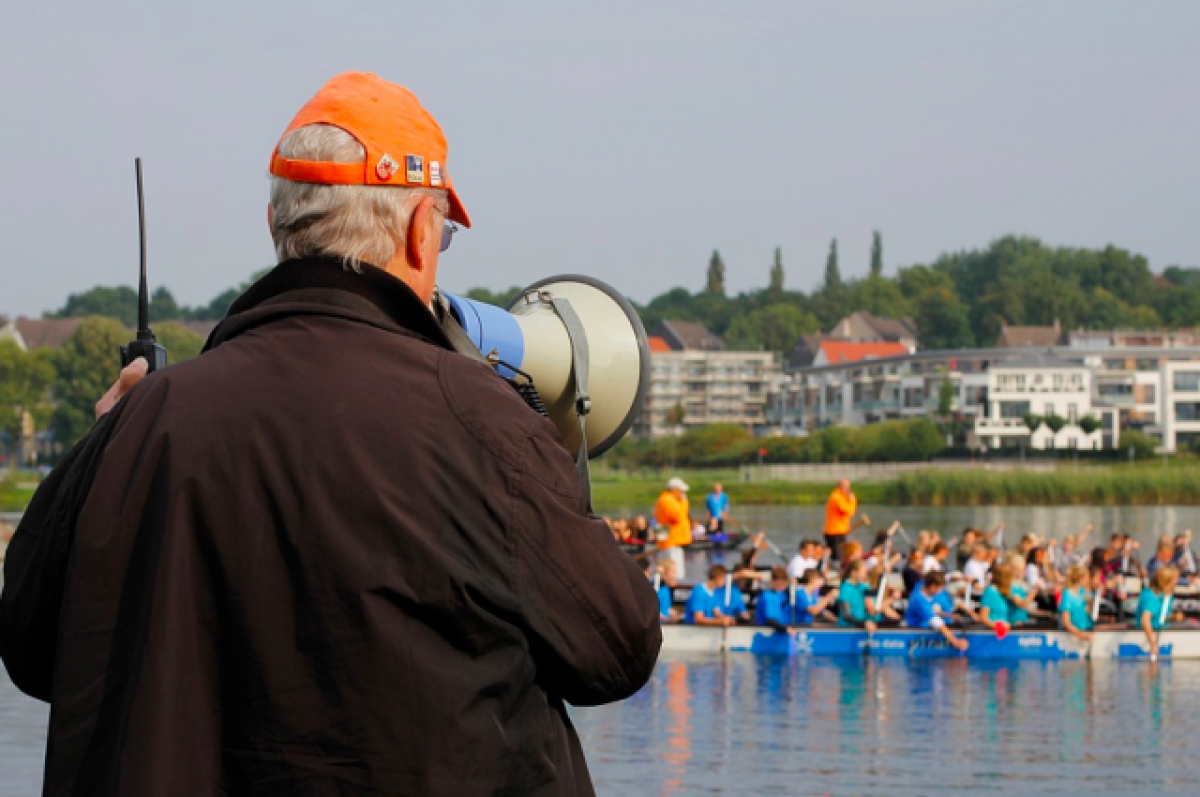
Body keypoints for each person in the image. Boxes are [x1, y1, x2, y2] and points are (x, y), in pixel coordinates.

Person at [0, 73, 661, 797]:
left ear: (276, 227)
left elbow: (33, 650)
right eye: (443, 231)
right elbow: (618, 651)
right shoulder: (482, 421)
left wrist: (102, 451)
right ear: (419, 230)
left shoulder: (142, 421)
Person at [905, 572, 969, 652]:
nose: (940, 592)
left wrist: (951, 615)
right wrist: (956, 642)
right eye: (939, 589)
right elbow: (935, 621)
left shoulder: (923, 587)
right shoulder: (919, 600)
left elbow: (931, 612)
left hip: (925, 624)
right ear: (932, 586)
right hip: (915, 629)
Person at [838, 559, 899, 632]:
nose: (866, 574)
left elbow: (875, 592)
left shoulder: (862, 586)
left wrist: (883, 575)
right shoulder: (845, 589)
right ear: (854, 573)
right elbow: (846, 615)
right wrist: (864, 623)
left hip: (861, 627)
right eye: (864, 572)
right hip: (848, 629)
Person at [1135, 566, 1180, 659]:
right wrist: (1152, 643)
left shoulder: (1166, 594)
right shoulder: (1150, 596)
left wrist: (1174, 617)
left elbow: (1161, 616)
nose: (1177, 582)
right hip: (1152, 629)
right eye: (1174, 579)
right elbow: (1145, 620)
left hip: (1161, 625)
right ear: (1165, 581)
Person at [654, 477, 692, 580]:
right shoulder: (668, 500)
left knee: (670, 568)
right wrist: (684, 502)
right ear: (674, 489)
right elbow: (678, 516)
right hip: (671, 541)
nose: (683, 493)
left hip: (671, 540)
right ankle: (675, 592)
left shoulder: (669, 500)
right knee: (674, 571)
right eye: (681, 491)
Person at [823, 479, 869, 562]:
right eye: (845, 486)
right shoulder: (836, 497)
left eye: (848, 487)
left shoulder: (841, 497)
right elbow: (849, 511)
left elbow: (850, 511)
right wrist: (852, 499)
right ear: (840, 486)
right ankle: (838, 571)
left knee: (839, 554)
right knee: (838, 556)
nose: (847, 489)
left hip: (839, 531)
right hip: (834, 532)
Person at [1059, 565, 1095, 642]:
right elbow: (1066, 622)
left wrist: (1091, 603)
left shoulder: (1085, 592)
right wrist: (1081, 635)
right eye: (1087, 578)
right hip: (1073, 636)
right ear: (1080, 579)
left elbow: (1090, 614)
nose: (1089, 580)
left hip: (1087, 630)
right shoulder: (1067, 594)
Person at [753, 567, 795, 631]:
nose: (784, 586)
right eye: (781, 583)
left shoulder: (781, 594)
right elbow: (771, 620)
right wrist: (786, 629)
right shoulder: (767, 596)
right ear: (773, 581)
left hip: (779, 633)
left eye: (785, 583)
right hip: (766, 633)